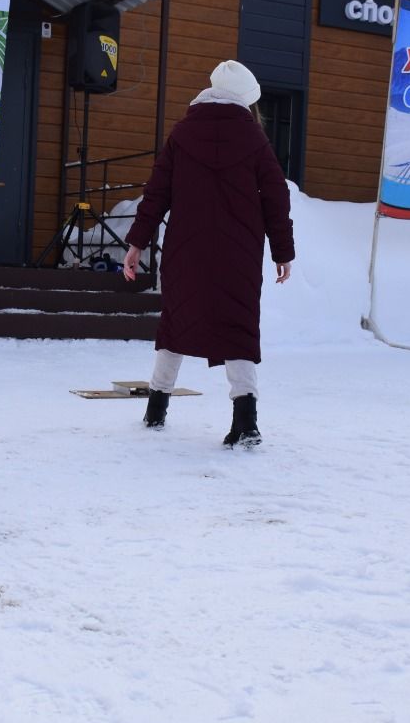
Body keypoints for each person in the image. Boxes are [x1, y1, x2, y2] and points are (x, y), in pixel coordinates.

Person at [121, 60, 295, 449]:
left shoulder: (183, 134)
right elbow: (275, 197)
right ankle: (245, 421)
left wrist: (137, 243)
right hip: (239, 253)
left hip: (186, 250)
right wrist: (282, 250)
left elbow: (157, 194)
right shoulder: (254, 140)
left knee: (175, 325)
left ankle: (155, 409)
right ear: (248, 100)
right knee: (239, 327)